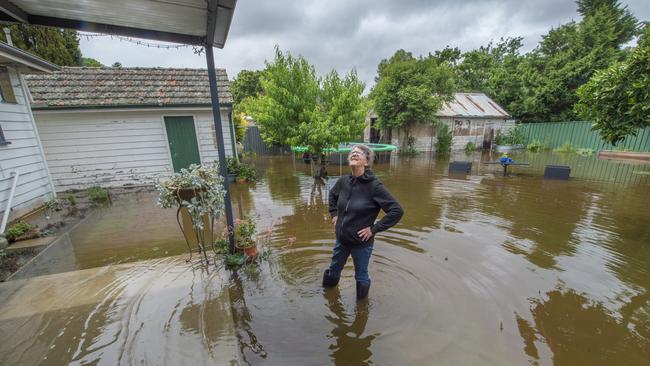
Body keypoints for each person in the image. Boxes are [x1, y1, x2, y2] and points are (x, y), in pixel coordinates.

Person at [322, 144, 404, 300]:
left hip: (361, 242)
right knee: (333, 271)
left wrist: (373, 229)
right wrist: (334, 214)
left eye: (358, 153)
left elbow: (397, 211)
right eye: (352, 153)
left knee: (361, 276)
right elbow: (332, 196)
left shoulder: (375, 186)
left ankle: (361, 309)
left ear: (367, 162)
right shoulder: (343, 181)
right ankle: (327, 299)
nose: (353, 154)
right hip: (342, 239)